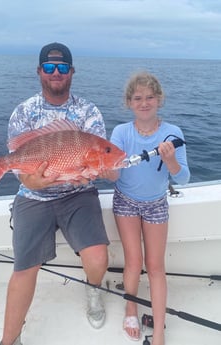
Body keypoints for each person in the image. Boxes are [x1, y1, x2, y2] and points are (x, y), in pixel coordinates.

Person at [0, 42, 113, 345]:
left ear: (72, 71)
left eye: (62, 67)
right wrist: (37, 181)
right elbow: (24, 175)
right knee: (24, 267)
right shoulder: (24, 111)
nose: (56, 73)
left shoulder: (88, 111)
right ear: (39, 71)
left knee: (99, 257)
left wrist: (100, 170)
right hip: (33, 196)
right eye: (49, 67)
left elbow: (103, 159)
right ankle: (9, 340)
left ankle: (94, 291)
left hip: (79, 195)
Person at [110, 71, 190, 345]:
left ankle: (158, 332)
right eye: (138, 98)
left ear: (159, 99)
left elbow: (183, 177)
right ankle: (130, 308)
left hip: (156, 203)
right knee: (134, 262)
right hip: (125, 201)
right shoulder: (121, 132)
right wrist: (103, 169)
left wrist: (170, 161)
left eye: (150, 97)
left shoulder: (173, 133)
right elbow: (114, 175)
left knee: (155, 266)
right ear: (129, 102)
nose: (144, 102)